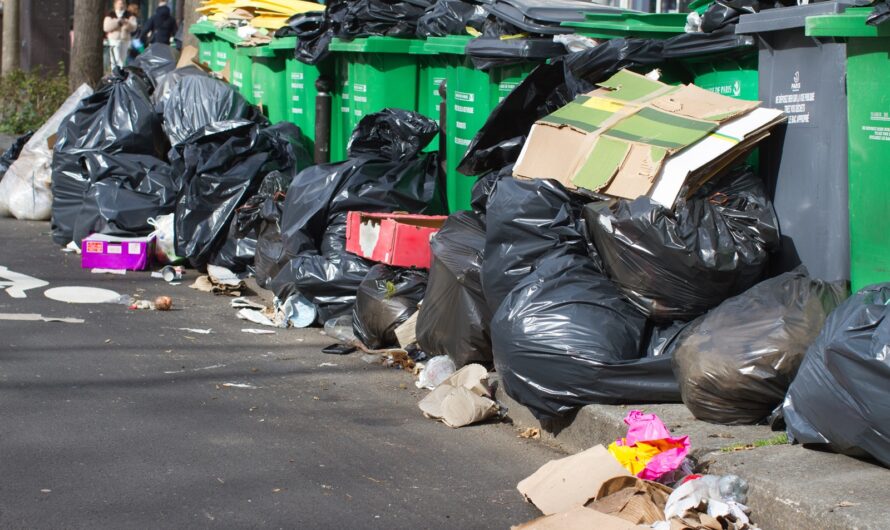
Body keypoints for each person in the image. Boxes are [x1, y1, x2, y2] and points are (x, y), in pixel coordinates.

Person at [103, 0, 138, 69]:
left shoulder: (129, 15)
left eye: (123, 3)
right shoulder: (111, 14)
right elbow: (106, 27)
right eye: (119, 3)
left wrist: (126, 23)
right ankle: (115, 73)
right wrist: (118, 22)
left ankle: (121, 74)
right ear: (115, 4)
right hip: (114, 40)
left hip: (125, 40)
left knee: (123, 60)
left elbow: (133, 27)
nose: (121, 5)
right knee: (115, 59)